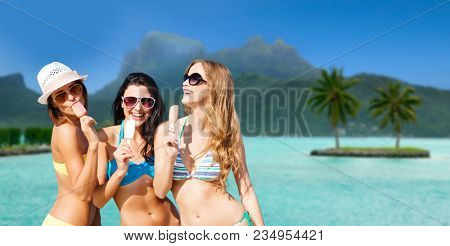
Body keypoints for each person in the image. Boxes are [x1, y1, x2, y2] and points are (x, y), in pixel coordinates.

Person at [154, 60, 264, 226]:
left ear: (214, 86)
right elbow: (160, 191)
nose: (185, 83)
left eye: (195, 78)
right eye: (185, 77)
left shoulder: (227, 134)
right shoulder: (166, 131)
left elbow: (246, 191)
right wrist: (169, 158)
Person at [93, 73, 179, 226]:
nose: (138, 108)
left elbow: (162, 192)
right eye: (130, 100)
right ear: (122, 102)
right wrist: (120, 172)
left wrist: (170, 158)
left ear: (153, 106)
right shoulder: (105, 138)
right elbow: (98, 201)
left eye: (146, 102)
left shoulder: (158, 138)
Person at [37, 62, 100, 226]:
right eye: (60, 96)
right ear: (54, 104)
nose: (71, 97)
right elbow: (84, 194)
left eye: (74, 89)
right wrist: (94, 145)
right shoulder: (65, 131)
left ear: (83, 90)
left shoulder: (82, 127)